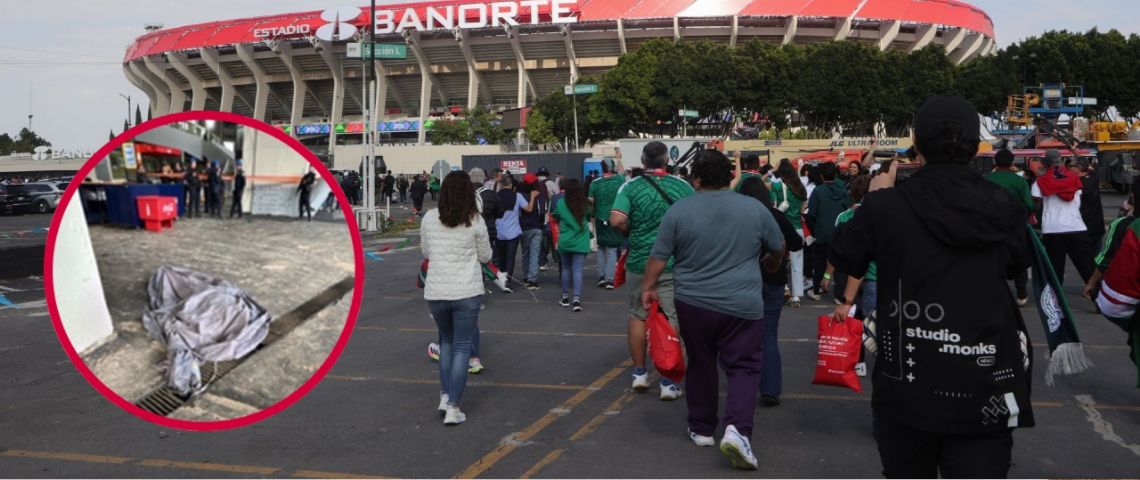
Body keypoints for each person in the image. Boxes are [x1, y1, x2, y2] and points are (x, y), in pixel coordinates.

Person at [829, 95, 1033, 478]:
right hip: (984, 378)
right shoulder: (1002, 203)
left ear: (916, 145)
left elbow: (845, 254)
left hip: (909, 383)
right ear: (975, 146)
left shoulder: (888, 205)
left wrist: (874, 200)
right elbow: (1016, 262)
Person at [641, 150, 784, 470]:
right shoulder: (754, 209)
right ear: (730, 177)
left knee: (701, 362)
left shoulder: (679, 211)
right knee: (744, 366)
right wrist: (772, 264)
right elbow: (778, 247)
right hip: (742, 303)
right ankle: (737, 429)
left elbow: (659, 256)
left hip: (693, 302)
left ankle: (702, 428)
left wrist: (648, 288)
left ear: (696, 179)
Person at [610, 141, 695, 400]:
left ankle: (639, 373)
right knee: (671, 318)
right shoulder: (682, 187)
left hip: (640, 262)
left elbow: (617, 220)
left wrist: (633, 232)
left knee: (638, 314)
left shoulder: (630, 186)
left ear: (643, 161)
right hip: (672, 262)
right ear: (667, 160)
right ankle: (668, 380)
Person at [420, 171, 492, 426]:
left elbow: (426, 251)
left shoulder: (430, 218)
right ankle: (454, 407)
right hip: (467, 291)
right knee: (462, 347)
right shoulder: (475, 220)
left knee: (447, 343)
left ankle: (444, 395)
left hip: (437, 291)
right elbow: (485, 256)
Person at [739, 176, 803, 407]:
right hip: (773, 280)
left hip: (744, 281)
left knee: (742, 334)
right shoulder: (776, 215)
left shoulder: (739, 217)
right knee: (768, 334)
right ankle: (770, 388)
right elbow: (796, 243)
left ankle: (743, 382)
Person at [821, 174, 874, 376]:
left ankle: (857, 360)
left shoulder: (844, 217)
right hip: (873, 275)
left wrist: (827, 276)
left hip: (847, 273)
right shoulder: (882, 215)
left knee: (851, 317)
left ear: (852, 194)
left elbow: (835, 251)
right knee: (870, 319)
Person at [1031, 149, 1096, 286]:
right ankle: (1096, 296)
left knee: (1055, 271)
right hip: (1076, 226)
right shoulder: (1074, 178)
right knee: (1088, 268)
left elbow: (1036, 205)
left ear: (1045, 163)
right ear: (1061, 160)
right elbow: (1079, 197)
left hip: (1052, 229)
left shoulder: (1040, 181)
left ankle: (1056, 298)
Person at [986, 148, 1035, 305]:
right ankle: (1021, 294)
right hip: (1015, 227)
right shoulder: (1019, 181)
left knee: (993, 261)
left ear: (995, 162)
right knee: (1019, 260)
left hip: (991, 226)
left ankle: (995, 294)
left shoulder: (986, 179)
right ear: (1012, 163)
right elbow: (1029, 204)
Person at [1084, 179, 1139, 302]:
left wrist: (1091, 282)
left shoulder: (1123, 224)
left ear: (1133, 197)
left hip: (1128, 293)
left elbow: (1107, 258)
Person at [804, 162, 851, 301]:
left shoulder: (818, 191)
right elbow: (848, 210)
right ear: (835, 175)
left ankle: (816, 290)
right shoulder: (843, 191)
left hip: (822, 232)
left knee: (819, 262)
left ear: (821, 176)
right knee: (839, 264)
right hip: (839, 232)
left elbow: (811, 214)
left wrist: (815, 230)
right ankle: (839, 295)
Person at [552, 178, 593, 311]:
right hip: (581, 241)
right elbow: (589, 217)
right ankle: (576, 299)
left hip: (565, 241)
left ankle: (565, 297)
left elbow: (555, 216)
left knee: (565, 269)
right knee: (577, 270)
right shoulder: (585, 204)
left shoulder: (561, 203)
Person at [772, 162, 808, 307]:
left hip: (782, 228)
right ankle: (797, 296)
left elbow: (772, 202)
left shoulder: (777, 186)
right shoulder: (800, 188)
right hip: (797, 228)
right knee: (797, 263)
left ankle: (784, 287)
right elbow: (803, 208)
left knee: (780, 260)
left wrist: (771, 172)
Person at [588, 158, 624, 289]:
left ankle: (601, 277)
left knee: (601, 247)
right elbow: (622, 171)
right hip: (614, 217)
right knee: (612, 249)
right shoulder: (619, 180)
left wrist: (592, 215)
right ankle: (610, 279)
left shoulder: (595, 183)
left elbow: (590, 202)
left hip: (599, 217)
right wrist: (619, 157)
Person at [494, 176, 528, 282]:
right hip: (513, 232)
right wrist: (533, 197)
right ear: (510, 185)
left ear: (500, 185)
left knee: (501, 258)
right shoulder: (517, 195)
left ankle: (502, 277)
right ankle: (508, 280)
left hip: (499, 232)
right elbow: (528, 208)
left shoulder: (495, 196)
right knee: (510, 258)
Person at [519, 173, 548, 290]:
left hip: (523, 227)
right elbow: (543, 211)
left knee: (525, 252)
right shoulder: (539, 194)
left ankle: (526, 277)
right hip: (536, 226)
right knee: (535, 253)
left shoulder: (520, 195)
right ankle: (532, 279)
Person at [1074, 158, 1105, 249]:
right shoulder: (1094, 178)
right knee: (1097, 250)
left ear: (1079, 168)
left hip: (1083, 225)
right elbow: (1091, 168)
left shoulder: (1077, 184)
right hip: (1097, 225)